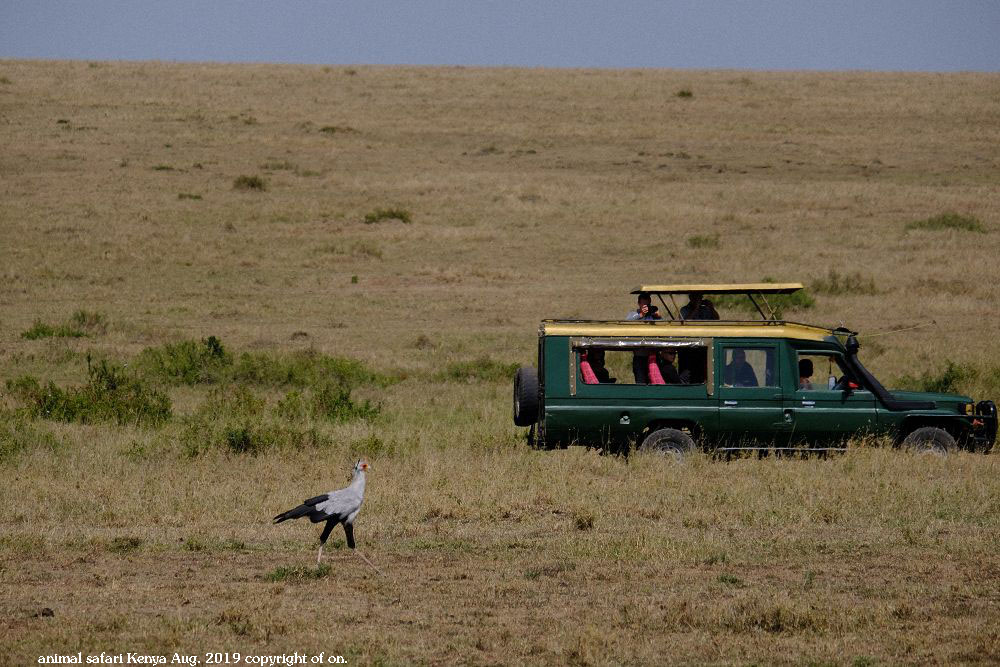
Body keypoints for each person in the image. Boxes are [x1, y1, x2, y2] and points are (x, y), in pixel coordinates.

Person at [627, 292, 661, 382]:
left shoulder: (652, 316)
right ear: (639, 304)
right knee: (641, 381)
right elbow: (627, 322)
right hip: (640, 356)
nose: (646, 307)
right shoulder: (633, 314)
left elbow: (663, 325)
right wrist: (641, 315)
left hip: (653, 355)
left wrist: (657, 316)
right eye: (644, 305)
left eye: (648, 305)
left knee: (654, 381)